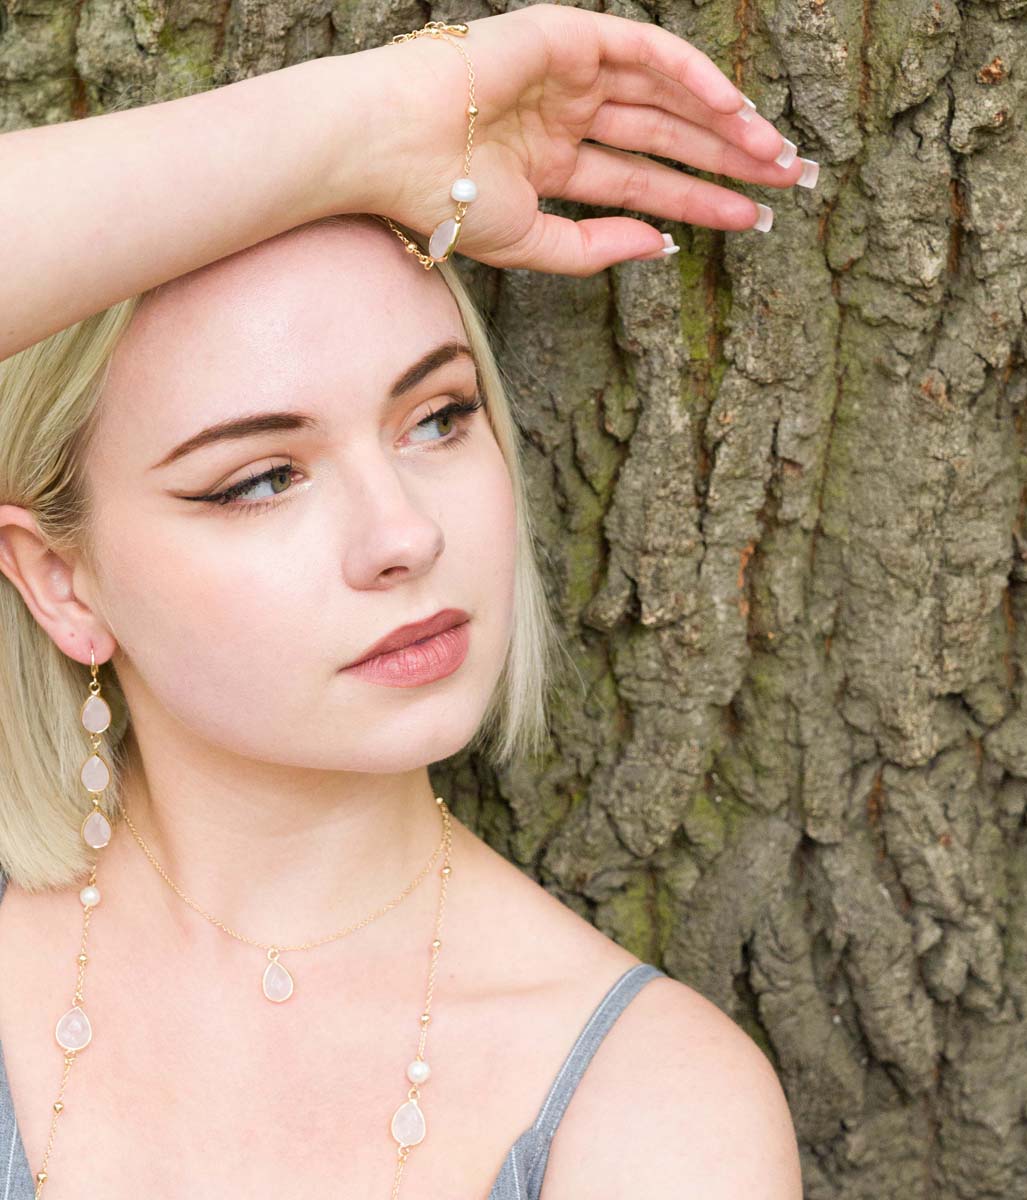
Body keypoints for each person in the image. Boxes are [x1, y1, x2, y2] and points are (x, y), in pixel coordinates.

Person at [0, 4, 811, 1196]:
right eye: (262, 478)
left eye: (437, 417)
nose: (406, 536)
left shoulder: (654, 1115)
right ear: (63, 583)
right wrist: (367, 123)